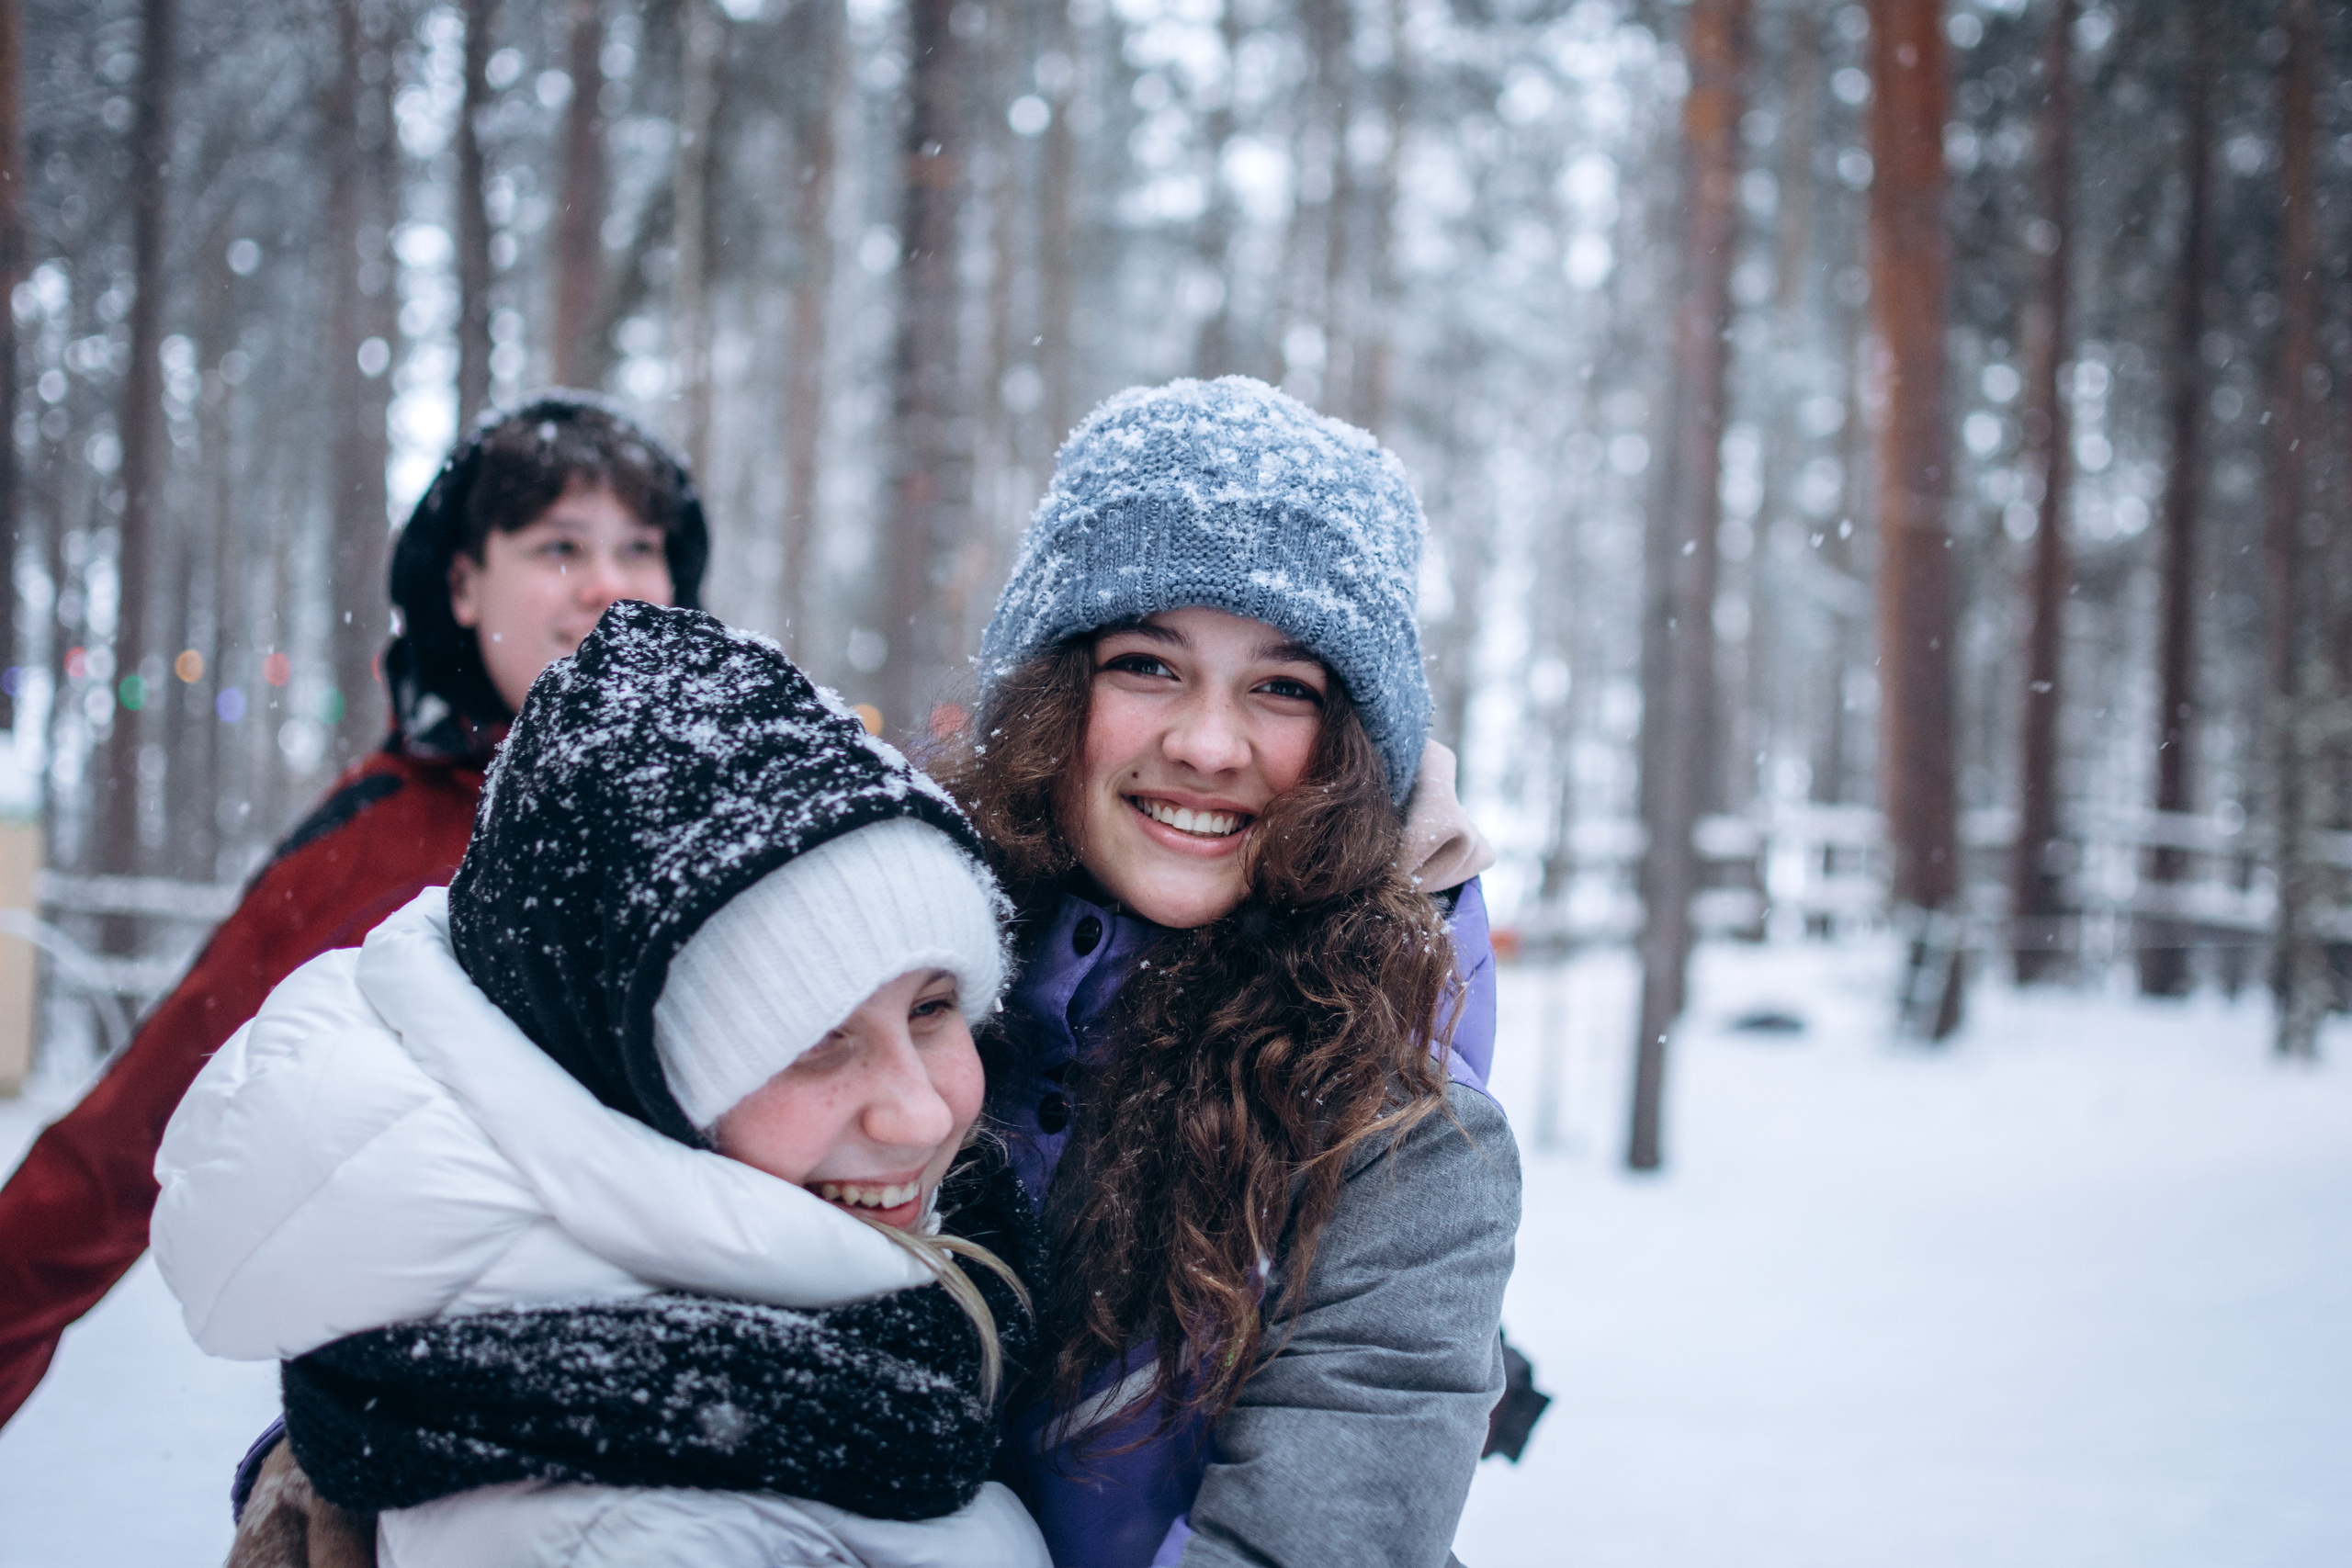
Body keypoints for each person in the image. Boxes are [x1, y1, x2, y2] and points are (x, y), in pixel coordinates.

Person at [153, 602, 1051, 1568]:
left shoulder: (777, 1367)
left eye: (932, 1008)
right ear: (628, 1087)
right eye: (815, 1041)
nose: (919, 1109)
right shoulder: (625, 1529)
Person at [0, 393, 705, 1429]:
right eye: (559, 547)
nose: (610, 586)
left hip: (730, 1423)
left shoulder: (727, 809)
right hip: (454, 1430)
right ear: (463, 585)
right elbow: (121, 1157)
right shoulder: (378, 842)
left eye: (640, 548)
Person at [943, 376, 1520, 1567]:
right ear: (1053, 695)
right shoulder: (906, 1015)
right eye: (1149, 664)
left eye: (1282, 686)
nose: (1209, 745)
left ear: (1351, 749)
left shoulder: (1403, 1135)